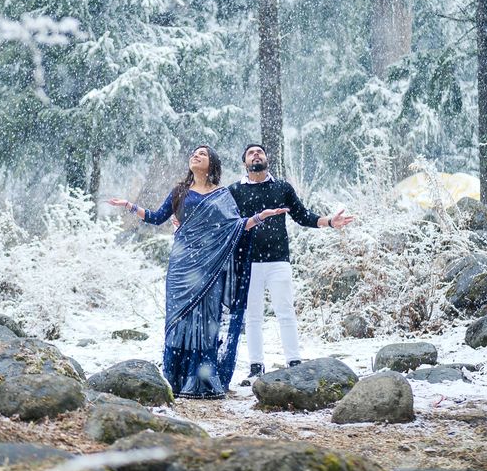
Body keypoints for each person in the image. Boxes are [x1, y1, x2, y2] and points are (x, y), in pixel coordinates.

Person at [108, 145, 287, 399]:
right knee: (179, 322)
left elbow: (234, 227)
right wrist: (129, 205)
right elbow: (157, 217)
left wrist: (259, 217)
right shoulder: (180, 191)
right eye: (194, 153)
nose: (196, 155)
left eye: (202, 154)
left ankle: (201, 379)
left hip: (210, 267)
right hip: (181, 268)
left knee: (207, 322)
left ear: (211, 163)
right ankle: (176, 378)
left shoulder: (222, 194)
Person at [227, 144, 355, 380]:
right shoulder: (234, 190)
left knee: (285, 312)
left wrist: (328, 222)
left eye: (260, 152)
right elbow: (223, 222)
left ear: (267, 159)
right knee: (253, 316)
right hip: (247, 262)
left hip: (278, 260)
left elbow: (302, 215)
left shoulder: (282, 187)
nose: (256, 155)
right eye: (251, 153)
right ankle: (256, 367)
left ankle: (294, 362)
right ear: (244, 163)